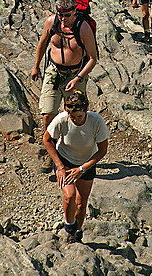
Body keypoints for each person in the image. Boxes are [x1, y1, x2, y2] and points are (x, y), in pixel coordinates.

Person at [31, 0, 98, 173]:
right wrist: (36, 66)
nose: (63, 19)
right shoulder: (51, 22)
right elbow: (42, 44)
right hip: (54, 72)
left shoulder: (83, 28)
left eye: (66, 15)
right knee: (48, 113)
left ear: (75, 11)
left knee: (75, 114)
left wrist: (78, 78)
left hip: (75, 74)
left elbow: (93, 58)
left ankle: (76, 150)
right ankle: (50, 151)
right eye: (60, 14)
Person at [43, 91, 109, 244]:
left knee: (81, 203)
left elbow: (102, 150)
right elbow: (47, 140)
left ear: (86, 110)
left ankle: (77, 232)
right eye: (72, 116)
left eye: (79, 116)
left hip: (86, 163)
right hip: (65, 160)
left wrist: (82, 169)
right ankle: (69, 225)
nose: (75, 120)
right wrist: (59, 167)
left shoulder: (96, 121)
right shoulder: (62, 119)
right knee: (69, 195)